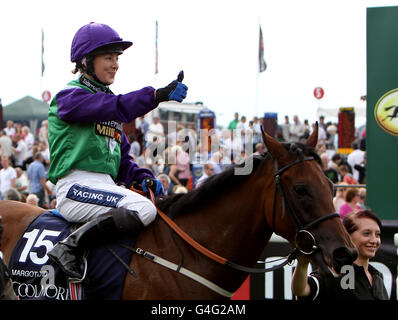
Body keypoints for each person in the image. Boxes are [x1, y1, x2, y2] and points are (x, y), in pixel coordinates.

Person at [46, 22, 188, 280]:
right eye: (108, 57)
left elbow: (123, 159)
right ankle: (68, 246)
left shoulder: (107, 105)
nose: (115, 64)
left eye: (117, 58)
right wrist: (155, 95)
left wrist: (142, 176)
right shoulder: (70, 97)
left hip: (104, 187)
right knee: (144, 210)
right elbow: (117, 105)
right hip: (75, 189)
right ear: (86, 61)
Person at [292, 209, 388, 300]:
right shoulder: (336, 273)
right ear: (346, 236)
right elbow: (301, 290)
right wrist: (302, 265)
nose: (374, 240)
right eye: (366, 233)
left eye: (377, 234)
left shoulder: (377, 276)